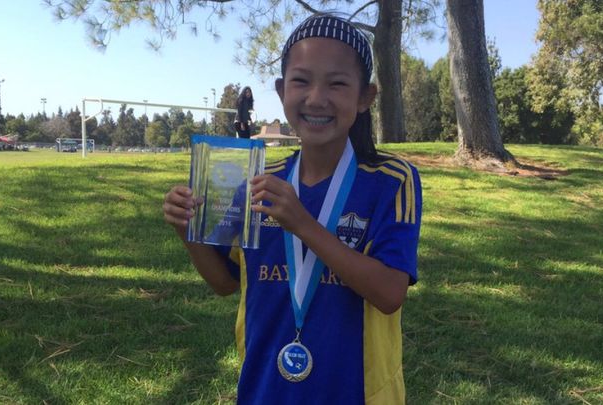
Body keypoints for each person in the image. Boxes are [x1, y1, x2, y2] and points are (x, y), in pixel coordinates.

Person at [163, 13, 422, 404]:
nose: (316, 98)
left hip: (355, 394)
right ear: (282, 90)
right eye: (301, 81)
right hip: (265, 389)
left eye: (337, 83)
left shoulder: (390, 181)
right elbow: (225, 282)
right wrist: (188, 232)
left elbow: (389, 293)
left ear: (365, 97)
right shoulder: (258, 182)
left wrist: (304, 224)